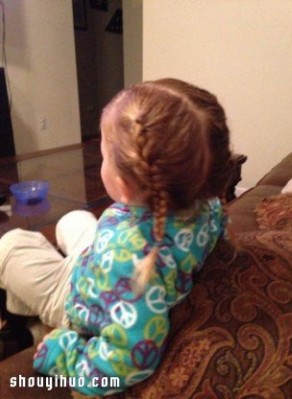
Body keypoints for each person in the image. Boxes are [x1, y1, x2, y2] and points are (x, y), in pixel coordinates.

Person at [0, 78, 234, 395]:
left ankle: (38, 323)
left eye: (104, 155)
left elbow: (129, 360)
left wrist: (65, 357)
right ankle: (25, 308)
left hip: (79, 299)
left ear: (122, 186)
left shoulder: (128, 259)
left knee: (10, 245)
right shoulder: (209, 204)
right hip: (106, 264)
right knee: (74, 219)